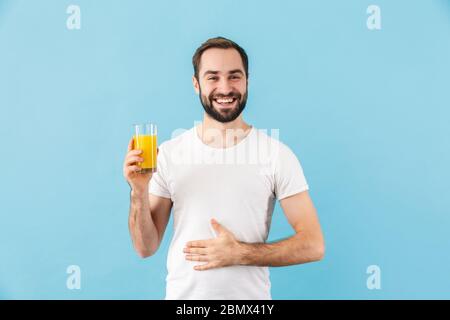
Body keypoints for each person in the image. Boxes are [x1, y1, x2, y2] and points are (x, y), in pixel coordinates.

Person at [123, 37, 325, 300]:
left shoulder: (276, 155)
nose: (225, 88)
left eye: (234, 77)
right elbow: (145, 247)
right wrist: (138, 191)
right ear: (196, 84)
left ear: (247, 81)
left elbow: (313, 244)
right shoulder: (169, 154)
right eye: (213, 77)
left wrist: (239, 253)